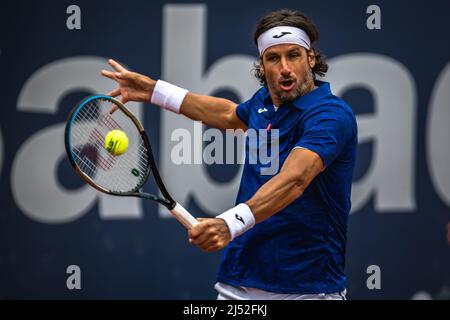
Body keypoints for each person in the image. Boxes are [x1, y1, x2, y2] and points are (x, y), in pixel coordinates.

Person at [101, 9, 357, 300]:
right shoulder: (263, 103)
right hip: (239, 284)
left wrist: (229, 223)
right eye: (273, 58)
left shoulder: (331, 116)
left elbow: (295, 179)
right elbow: (226, 114)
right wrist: (155, 91)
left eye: (294, 55)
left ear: (311, 58)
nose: (285, 67)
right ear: (262, 64)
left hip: (308, 290)